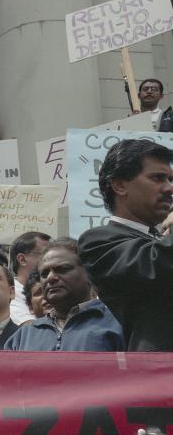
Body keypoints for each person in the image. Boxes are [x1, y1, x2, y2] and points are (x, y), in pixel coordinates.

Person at [78, 138, 173, 351]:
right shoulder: (98, 243)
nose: (169, 188)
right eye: (158, 178)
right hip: (163, 376)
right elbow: (158, 265)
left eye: (170, 179)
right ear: (120, 185)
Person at [5, 238, 124, 351]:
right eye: (44, 274)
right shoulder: (22, 337)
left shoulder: (119, 325)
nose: (50, 278)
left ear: (88, 274)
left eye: (62, 269)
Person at [8, 231, 51, 324]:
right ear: (22, 259)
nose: (52, 261)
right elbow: (29, 326)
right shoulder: (10, 293)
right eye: (45, 255)